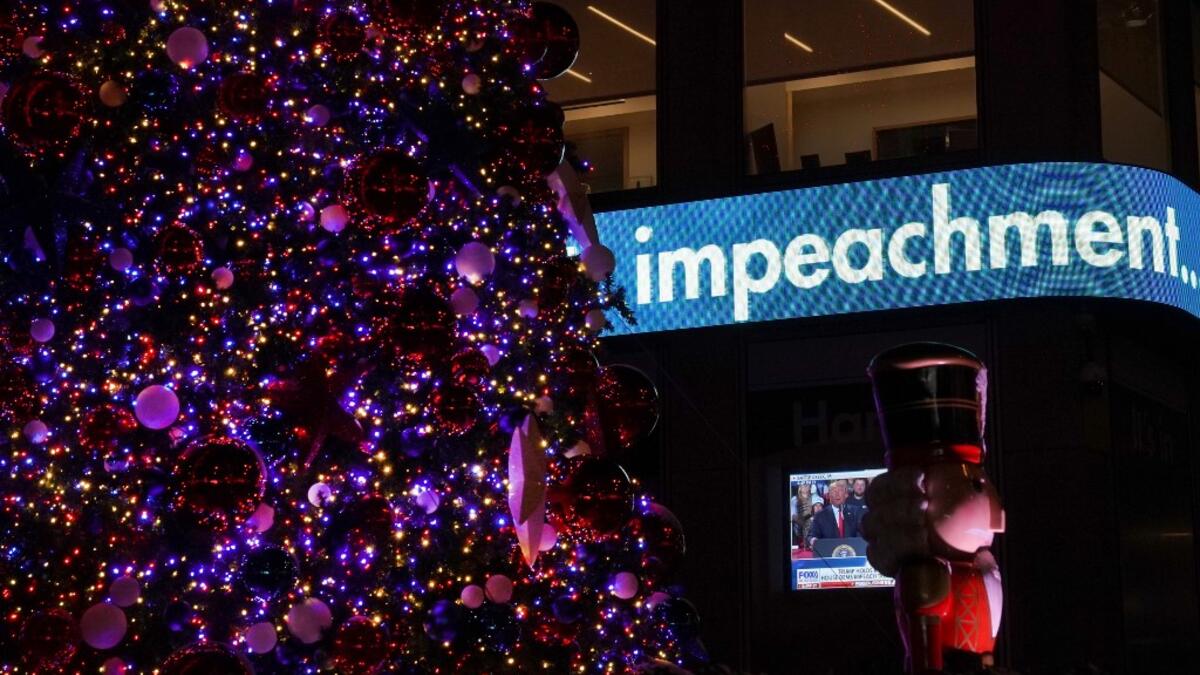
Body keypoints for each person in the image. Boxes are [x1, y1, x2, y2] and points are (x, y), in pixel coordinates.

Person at [809, 480, 861, 547]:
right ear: (829, 495)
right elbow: (812, 535)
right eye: (834, 491)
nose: (837, 494)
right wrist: (813, 540)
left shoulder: (856, 512)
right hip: (828, 551)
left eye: (840, 491)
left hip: (852, 551)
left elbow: (861, 533)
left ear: (845, 494)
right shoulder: (820, 515)